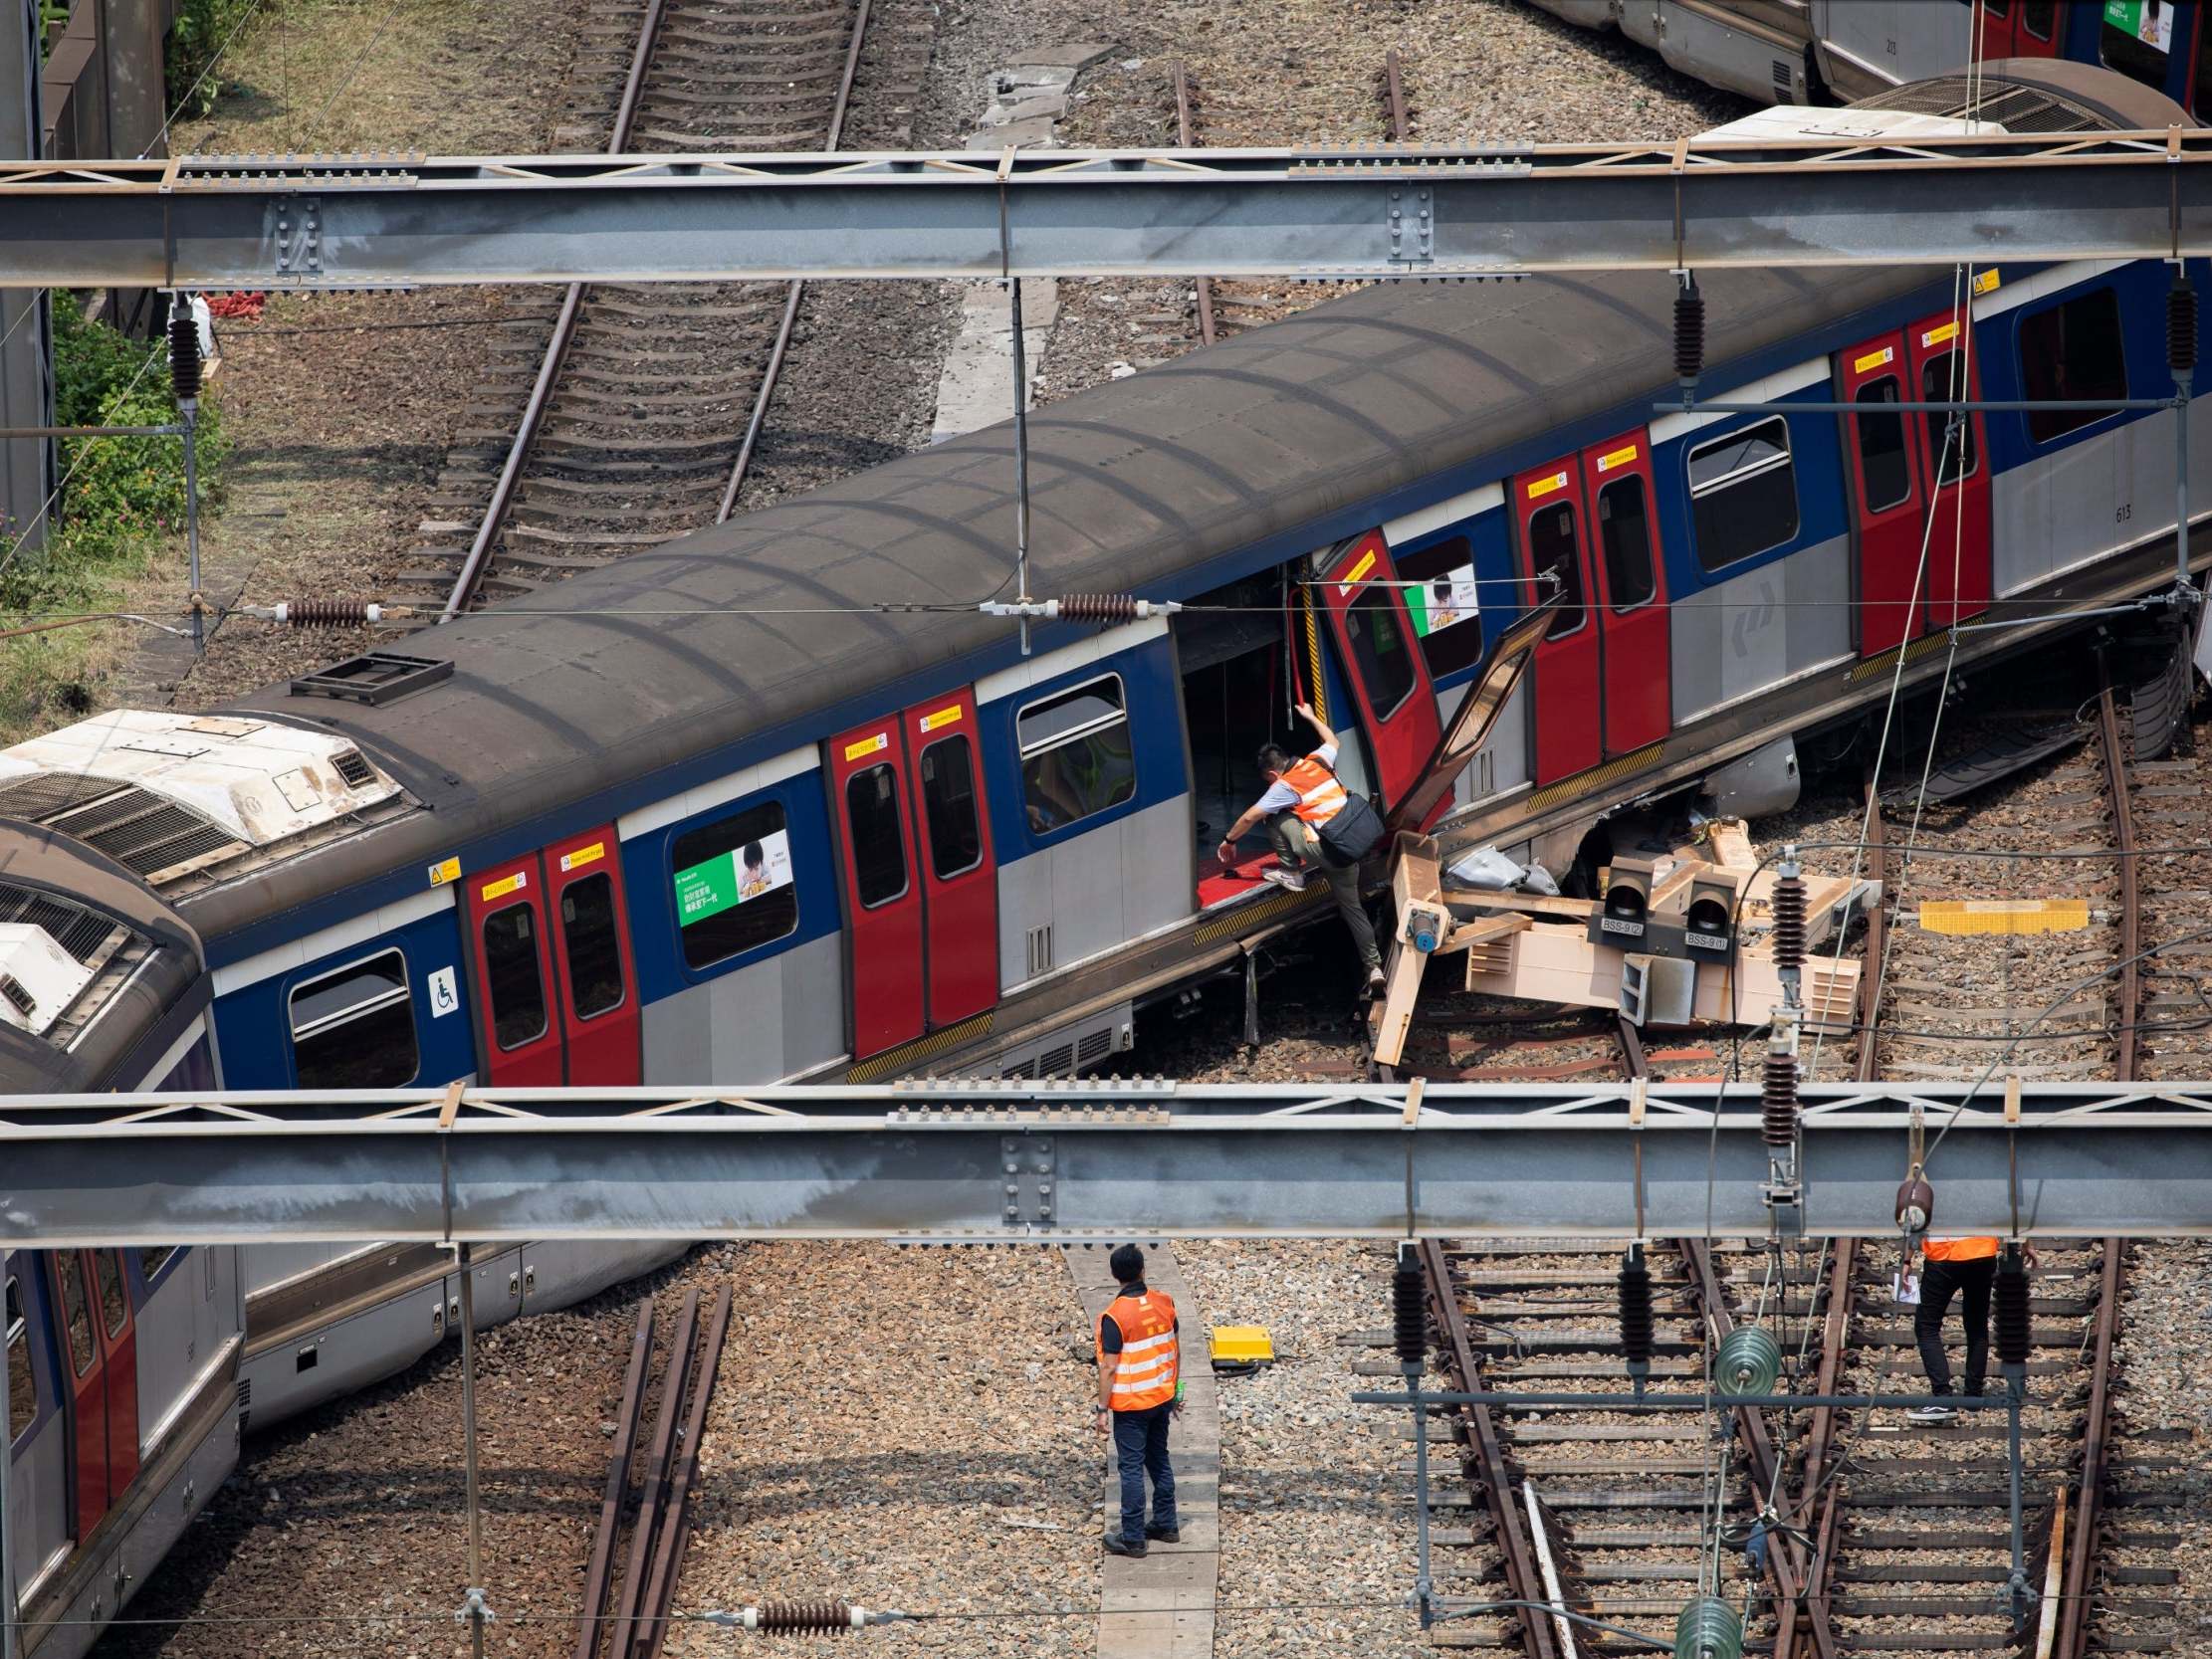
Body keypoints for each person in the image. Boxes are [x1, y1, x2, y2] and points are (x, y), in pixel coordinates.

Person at [1214, 701, 1385, 989]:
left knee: (1274, 818)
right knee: (1353, 910)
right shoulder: (1318, 760)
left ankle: (1291, 872)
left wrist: (1229, 840)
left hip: (1324, 850)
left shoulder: (1284, 786)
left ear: (1272, 775)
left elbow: (1250, 816)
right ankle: (1375, 968)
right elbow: (1333, 739)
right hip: (1350, 851)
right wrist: (1310, 716)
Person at [1094, 1243, 1181, 1558]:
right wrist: (1175, 1390)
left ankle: (1133, 1538)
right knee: (1159, 1459)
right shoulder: (1164, 1302)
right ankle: (1167, 1524)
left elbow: (1109, 1367)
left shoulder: (1114, 1317)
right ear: (1143, 1269)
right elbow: (1175, 1348)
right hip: (1162, 1397)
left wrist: (1102, 1411)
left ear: (1114, 1275)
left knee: (1130, 1469)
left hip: (1132, 1406)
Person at [1905, 1234, 2032, 1422]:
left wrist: (1906, 1259)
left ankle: (1943, 1399)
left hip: (1943, 1253)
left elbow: (1915, 1217)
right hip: (1982, 1252)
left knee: (1926, 1326)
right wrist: (2026, 1243)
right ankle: (1973, 1395)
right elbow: (2011, 1207)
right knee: (1977, 1326)